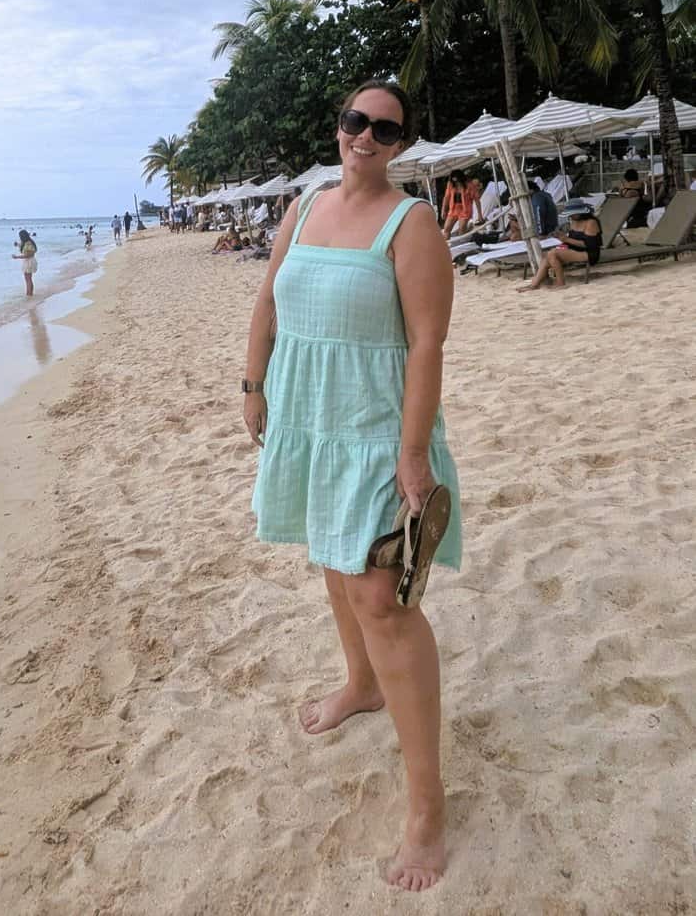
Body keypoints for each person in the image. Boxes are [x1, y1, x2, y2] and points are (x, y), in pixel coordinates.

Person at [244, 79, 461, 891]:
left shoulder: (413, 224)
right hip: (309, 418)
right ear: (337, 127)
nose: (364, 136)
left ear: (403, 143)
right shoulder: (303, 207)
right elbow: (267, 295)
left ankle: (427, 807)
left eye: (385, 128)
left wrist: (413, 450)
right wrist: (252, 382)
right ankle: (361, 686)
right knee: (334, 560)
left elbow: (430, 341)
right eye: (353, 121)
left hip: (376, 431)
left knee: (386, 601)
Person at [517, 207, 602, 292]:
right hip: (576, 250)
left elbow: (589, 245)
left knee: (553, 254)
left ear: (581, 212)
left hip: (589, 253)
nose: (571, 216)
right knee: (547, 255)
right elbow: (573, 239)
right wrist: (562, 238)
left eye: (573, 214)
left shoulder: (591, 223)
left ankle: (560, 283)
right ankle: (534, 284)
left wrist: (566, 239)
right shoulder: (574, 221)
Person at [440, 169, 481, 237]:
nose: (456, 183)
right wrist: (443, 210)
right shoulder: (450, 184)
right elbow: (446, 198)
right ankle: (447, 244)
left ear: (461, 179)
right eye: (454, 181)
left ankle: (462, 243)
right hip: (453, 209)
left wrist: (480, 215)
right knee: (446, 228)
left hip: (465, 209)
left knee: (462, 229)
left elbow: (476, 200)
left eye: (458, 181)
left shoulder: (469, 185)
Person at [13, 229, 38, 296]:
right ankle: (30, 294)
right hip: (29, 261)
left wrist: (17, 257)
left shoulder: (28, 243)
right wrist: (17, 244)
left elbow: (29, 255)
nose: (19, 238)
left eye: (20, 236)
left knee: (28, 279)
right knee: (29, 279)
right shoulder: (28, 242)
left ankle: (29, 294)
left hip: (29, 262)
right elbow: (23, 247)